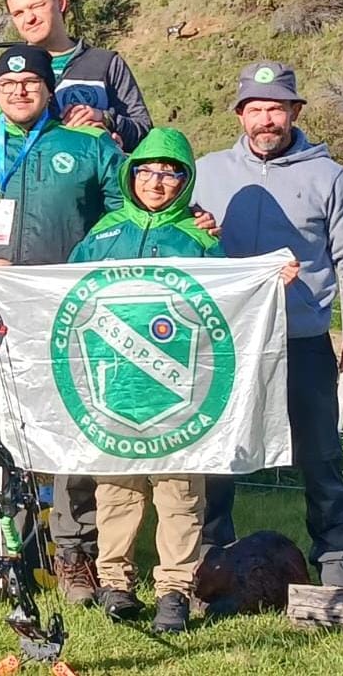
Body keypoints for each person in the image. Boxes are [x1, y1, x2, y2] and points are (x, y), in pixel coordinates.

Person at [0, 45, 125, 604]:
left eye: (30, 83)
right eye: (8, 85)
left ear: (49, 89)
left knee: (70, 427)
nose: (19, 91)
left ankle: (73, 553)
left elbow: (126, 213)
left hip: (65, 313)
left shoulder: (88, 145)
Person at [193, 62, 343, 589]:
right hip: (226, 341)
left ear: (294, 112)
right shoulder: (206, 172)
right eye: (256, 109)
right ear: (240, 115)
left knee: (321, 458)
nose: (266, 120)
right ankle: (212, 561)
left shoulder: (328, 176)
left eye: (276, 108)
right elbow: (178, 240)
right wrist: (199, 228)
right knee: (216, 456)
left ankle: (337, 566)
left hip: (301, 339)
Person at [67, 127, 227, 632]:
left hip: (179, 391)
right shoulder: (103, 234)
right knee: (116, 489)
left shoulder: (199, 239)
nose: (156, 182)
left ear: (185, 180)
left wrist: (269, 278)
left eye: (169, 174)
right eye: (147, 171)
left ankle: (174, 591)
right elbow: (65, 296)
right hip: (114, 387)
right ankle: (116, 583)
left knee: (179, 491)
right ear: (130, 175)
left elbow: (229, 306)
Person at [0, 0, 152, 150]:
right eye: (18, 13)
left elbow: (144, 133)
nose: (29, 19)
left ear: (60, 1)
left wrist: (106, 119)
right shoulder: (3, 73)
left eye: (37, 6)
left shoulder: (106, 64)